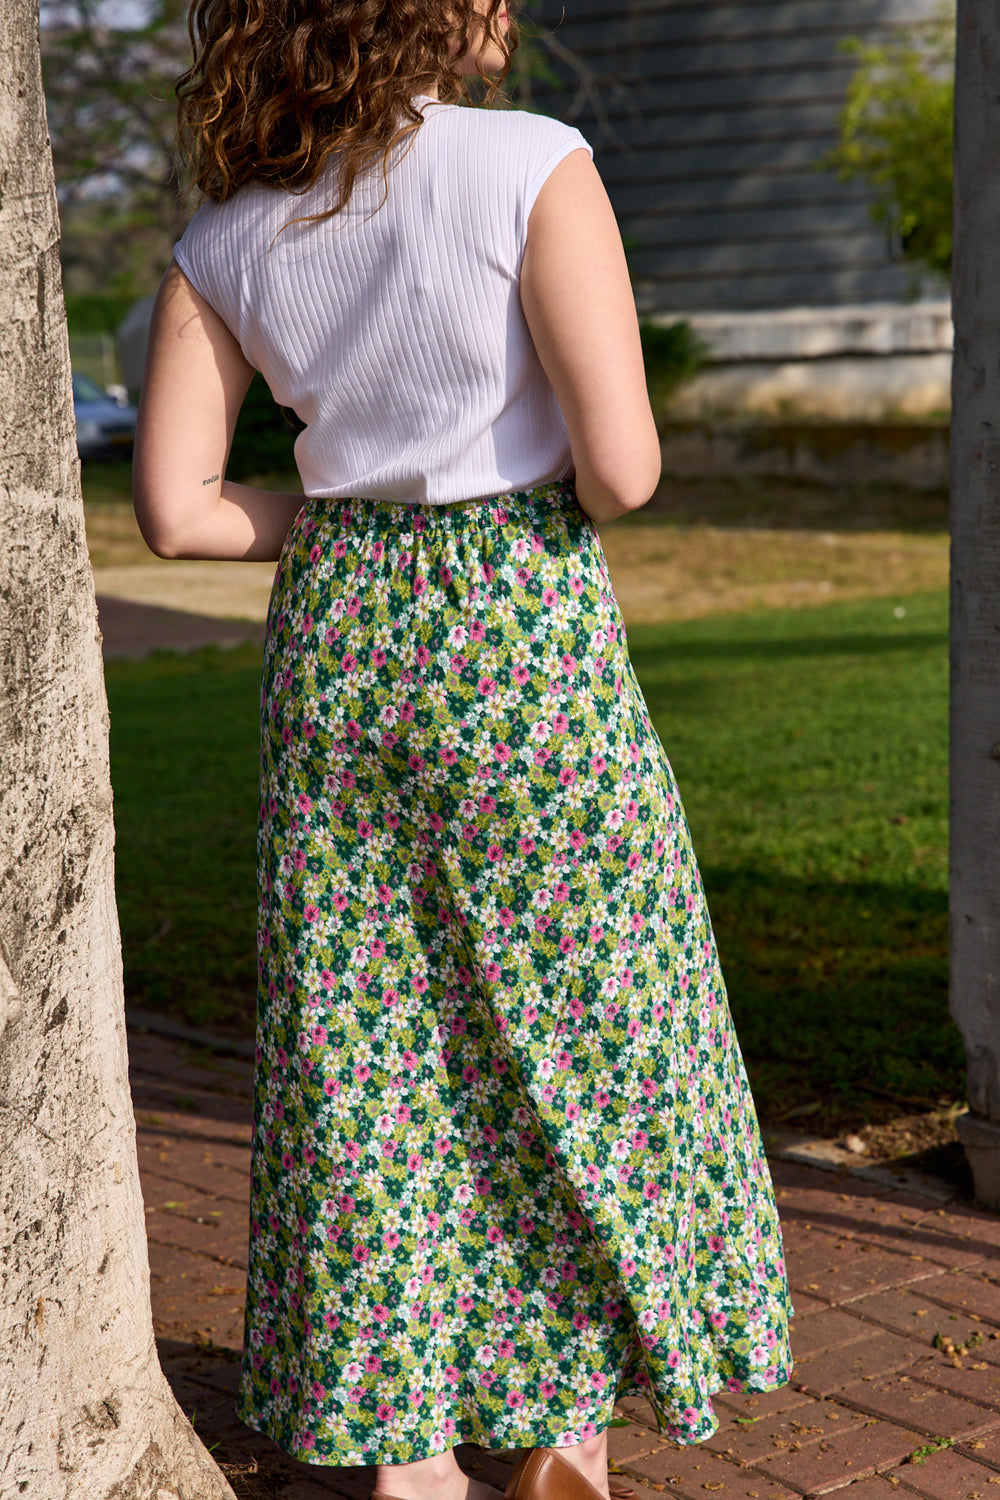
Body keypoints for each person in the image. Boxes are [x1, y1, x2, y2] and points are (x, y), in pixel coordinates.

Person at [132, 3, 794, 1498]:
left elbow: (177, 513)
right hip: (520, 636)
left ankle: (405, 1446)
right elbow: (621, 471)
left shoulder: (227, 234)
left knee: (366, 1052)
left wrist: (351, 512)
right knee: (596, 1025)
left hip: (338, 648)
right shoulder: (535, 162)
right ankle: (569, 1424)